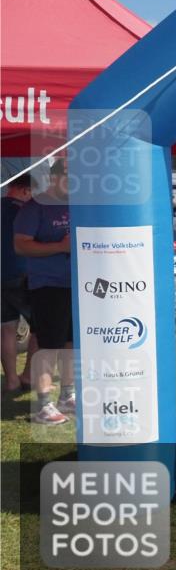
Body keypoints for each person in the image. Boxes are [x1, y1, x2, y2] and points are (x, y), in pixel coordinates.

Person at [12, 160, 75, 424]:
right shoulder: (35, 208)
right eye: (69, 175)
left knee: (72, 345)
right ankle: (43, 405)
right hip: (47, 286)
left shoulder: (77, 205)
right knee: (48, 346)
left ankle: (67, 396)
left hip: (78, 287)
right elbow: (21, 246)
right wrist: (61, 247)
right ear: (55, 176)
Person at [2, 175, 35, 395]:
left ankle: (11, 381)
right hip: (22, 274)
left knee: (6, 329)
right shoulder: (25, 211)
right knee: (41, 328)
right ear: (24, 190)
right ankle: (29, 376)